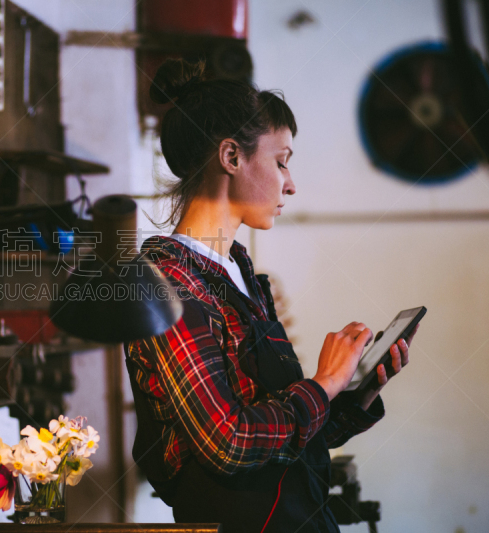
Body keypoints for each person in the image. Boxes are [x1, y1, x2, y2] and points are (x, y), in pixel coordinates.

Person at [124, 59, 418, 532]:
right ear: (231, 157)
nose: (291, 183)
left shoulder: (238, 274)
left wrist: (355, 390)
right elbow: (230, 443)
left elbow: (285, 439)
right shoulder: (168, 283)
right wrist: (323, 382)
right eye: (281, 161)